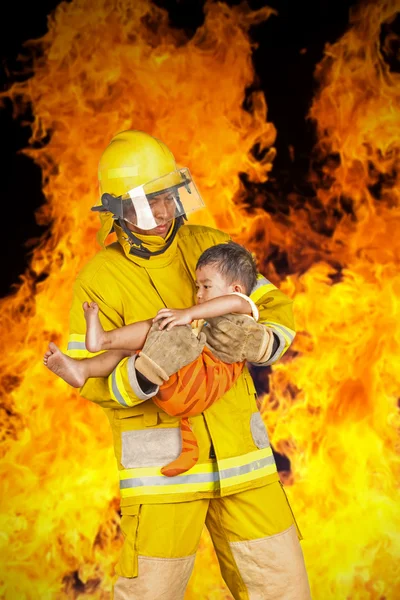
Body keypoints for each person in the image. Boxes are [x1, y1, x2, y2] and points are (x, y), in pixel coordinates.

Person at [64, 130, 311, 599]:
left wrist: (259, 341)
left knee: (286, 591)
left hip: (246, 468)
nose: (158, 214)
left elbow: (274, 309)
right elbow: (89, 376)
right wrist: (144, 373)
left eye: (165, 198)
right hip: (163, 481)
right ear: (115, 211)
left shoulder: (214, 247)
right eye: (141, 203)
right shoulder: (99, 278)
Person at [44, 241, 262, 477]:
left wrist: (187, 314)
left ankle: (104, 340)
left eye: (206, 286)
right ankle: (84, 368)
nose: (198, 294)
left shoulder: (243, 306)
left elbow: (228, 302)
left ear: (237, 289)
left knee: (162, 328)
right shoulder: (211, 320)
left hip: (199, 384)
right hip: (185, 392)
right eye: (197, 286)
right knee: (142, 344)